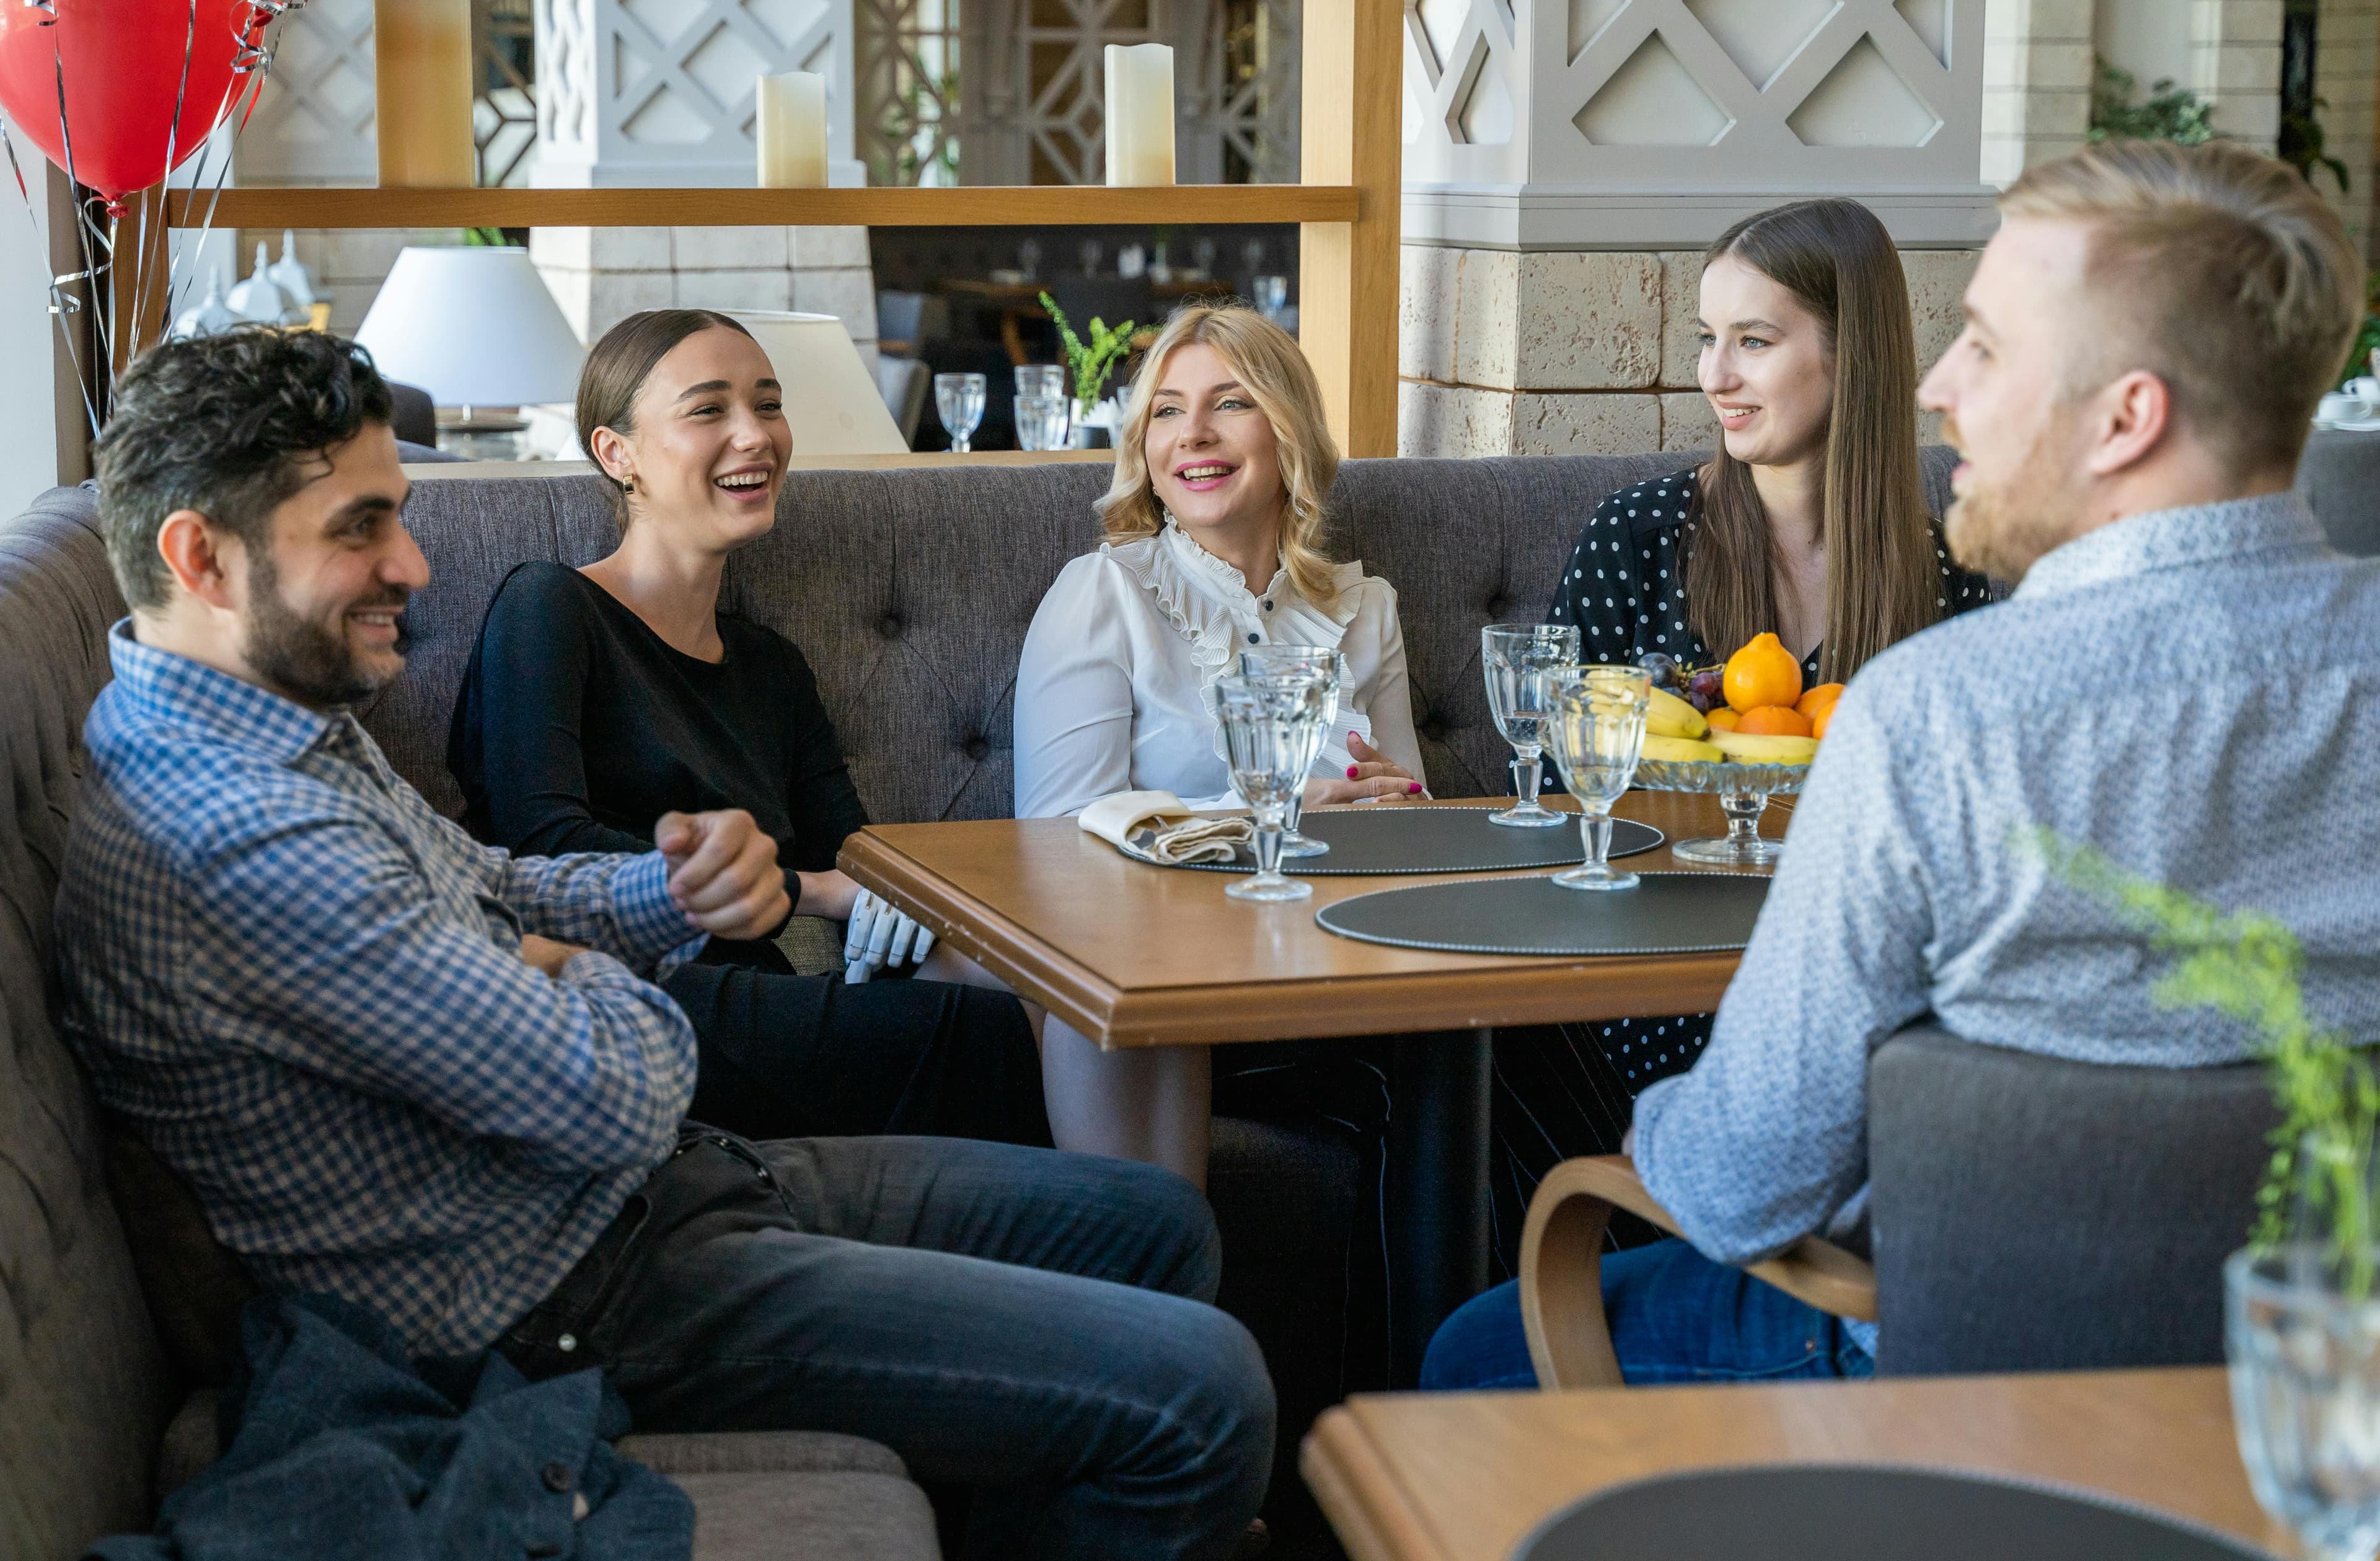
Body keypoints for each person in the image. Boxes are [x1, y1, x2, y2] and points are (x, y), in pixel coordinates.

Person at [56, 326, 1274, 1560]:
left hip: (652, 1193)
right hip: (568, 1293)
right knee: (1206, 1389)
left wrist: (663, 894)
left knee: (1154, 1221)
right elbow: (617, 1090)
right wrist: (572, 970)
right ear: (200, 556)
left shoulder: (271, 724)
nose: (414, 563)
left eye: (400, 516)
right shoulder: (236, 834)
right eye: (360, 527)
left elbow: (494, 878)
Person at [1425, 139, 2380, 1389]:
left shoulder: (1939, 715)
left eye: (1986, 346)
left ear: (2127, 416)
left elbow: (1738, 1182)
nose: (1936, 385)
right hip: (2325, 1376)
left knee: (1472, 1354)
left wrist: (1656, 1134)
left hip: (1966, 1375)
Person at [1492, 198, 1997, 1268]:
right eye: (1707, 341)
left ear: (1853, 354)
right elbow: (1547, 780)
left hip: (1853, 1002)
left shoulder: (1954, 565)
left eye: (1754, 342)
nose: (1716, 375)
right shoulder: (1640, 535)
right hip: (1649, 986)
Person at [451, 309, 1048, 1150]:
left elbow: (857, 855)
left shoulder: (771, 665)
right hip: (624, 996)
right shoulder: (550, 605)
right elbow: (542, 843)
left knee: (1040, 993)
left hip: (769, 987)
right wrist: (816, 892)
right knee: (987, 1035)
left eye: (768, 405)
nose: (755, 435)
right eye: (708, 410)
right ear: (616, 454)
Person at [1011, 303, 1427, 1187]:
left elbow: (1417, 830)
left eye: (1230, 403)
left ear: (1290, 433)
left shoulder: (1365, 609)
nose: (1192, 433)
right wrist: (1265, 816)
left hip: (1338, 966)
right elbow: (1052, 846)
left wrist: (1395, 808)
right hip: (1168, 972)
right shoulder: (1103, 594)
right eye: (1166, 410)